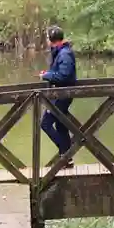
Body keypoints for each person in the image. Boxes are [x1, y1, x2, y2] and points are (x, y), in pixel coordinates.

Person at [39, 26, 77, 168]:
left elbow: (63, 76)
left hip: (62, 96)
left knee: (45, 124)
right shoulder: (60, 52)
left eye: (48, 38)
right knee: (61, 126)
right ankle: (67, 160)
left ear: (51, 39)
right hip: (60, 94)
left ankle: (65, 153)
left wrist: (46, 75)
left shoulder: (64, 54)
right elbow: (59, 72)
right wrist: (48, 74)